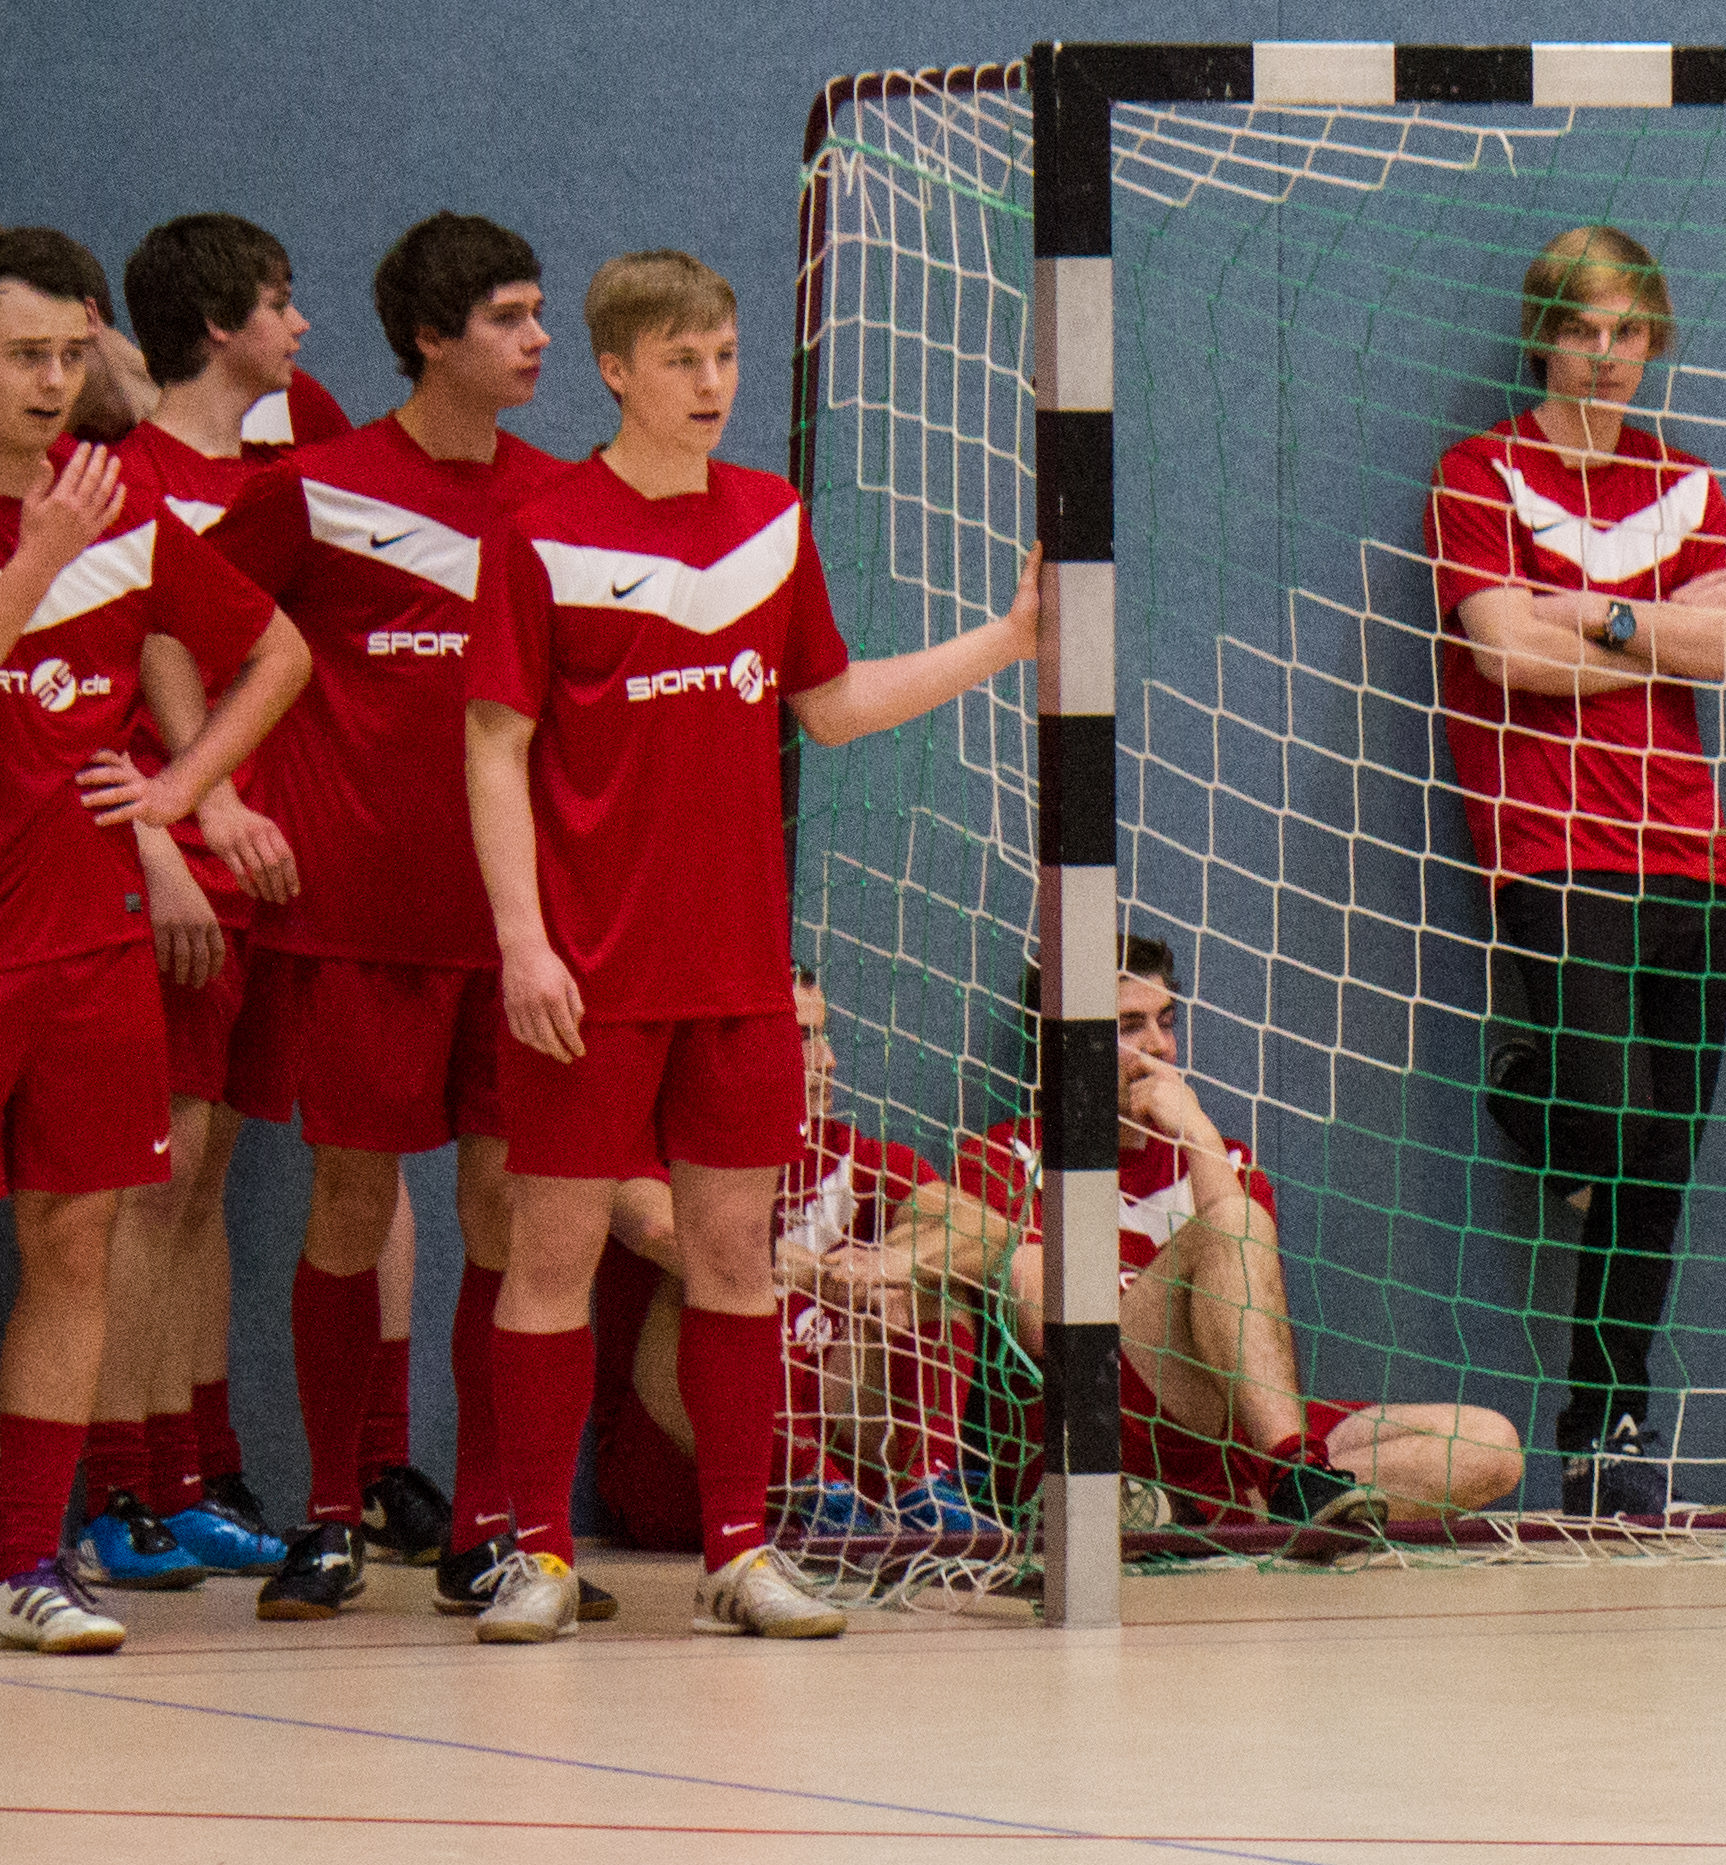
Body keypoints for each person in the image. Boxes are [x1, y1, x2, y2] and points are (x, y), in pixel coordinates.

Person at [461, 249, 1041, 1647]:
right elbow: (492, 744)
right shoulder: (541, 529)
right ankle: (535, 1554)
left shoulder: (772, 521)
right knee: (548, 1259)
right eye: (682, 360)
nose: (712, 382)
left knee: (737, 1258)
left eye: (724, 356)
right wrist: (524, 942)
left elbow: (831, 705)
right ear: (616, 370)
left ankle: (740, 1550)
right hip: (586, 974)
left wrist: (1012, 639)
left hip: (735, 976)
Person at [205, 215, 564, 1618]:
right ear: (427, 336)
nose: (536, 340)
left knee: (499, 1206)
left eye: (539, 311)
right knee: (352, 1199)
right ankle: (328, 1515)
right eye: (506, 317)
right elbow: (177, 628)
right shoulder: (314, 489)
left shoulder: (556, 501)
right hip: (353, 915)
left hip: (512, 929)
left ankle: (484, 1526)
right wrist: (211, 791)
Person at [0, 228, 309, 1656]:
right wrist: (39, 559)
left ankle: (26, 1559)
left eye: (71, 354)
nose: (52, 381)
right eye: (23, 356)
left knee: (75, 1243)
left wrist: (182, 792)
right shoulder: (69, 525)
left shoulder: (118, 506)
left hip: (86, 945)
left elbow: (279, 654)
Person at [1426, 225, 1726, 1519]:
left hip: (1691, 851)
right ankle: (1529, 1098)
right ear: (1545, 336)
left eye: (1628, 330)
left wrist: (1596, 614)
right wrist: (1665, 636)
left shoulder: (1685, 480)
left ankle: (1608, 1428)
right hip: (1551, 846)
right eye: (1583, 329)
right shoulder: (1479, 473)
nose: (1607, 354)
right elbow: (1504, 656)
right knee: (1617, 1131)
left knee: (1660, 1167)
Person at [66, 213, 350, 1591]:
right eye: (279, 301)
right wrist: (175, 829)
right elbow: (122, 677)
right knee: (148, 1183)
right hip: (170, 856)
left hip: (270, 864)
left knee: (207, 1182)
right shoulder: (122, 479)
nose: (302, 325)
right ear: (222, 322)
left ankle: (186, 1478)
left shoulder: (287, 463)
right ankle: (116, 1485)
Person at [953, 937, 1523, 1530]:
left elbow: (1259, 1336)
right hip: (1099, 1429)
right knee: (1232, 1219)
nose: (1159, 1047)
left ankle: (1208, 1509)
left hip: (1232, 1440)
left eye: (1165, 1022)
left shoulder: (1224, 1158)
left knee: (1490, 1445)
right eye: (1129, 1026)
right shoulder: (1005, 1156)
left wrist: (1197, 1138)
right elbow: (1040, 1325)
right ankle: (1285, 1478)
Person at [592, 969, 1004, 1554]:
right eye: (802, 1038)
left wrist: (890, 1264)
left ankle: (926, 1489)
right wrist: (826, 1275)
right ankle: (807, 1485)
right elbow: (662, 1229)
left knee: (935, 1274)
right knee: (703, 1275)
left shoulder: (846, 1153)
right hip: (680, 1473)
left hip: (841, 1457)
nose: (828, 1060)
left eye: (824, 1034)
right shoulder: (653, 1147)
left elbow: (986, 1229)